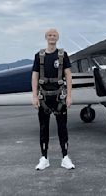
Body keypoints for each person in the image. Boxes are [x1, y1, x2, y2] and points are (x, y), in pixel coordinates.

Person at [32, 28, 75, 170]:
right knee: (43, 128)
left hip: (59, 97)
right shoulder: (39, 56)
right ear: (46, 37)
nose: (52, 37)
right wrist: (34, 96)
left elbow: (68, 75)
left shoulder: (63, 55)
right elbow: (35, 76)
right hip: (43, 97)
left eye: (54, 35)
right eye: (50, 35)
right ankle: (44, 158)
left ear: (57, 38)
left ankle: (65, 157)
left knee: (62, 128)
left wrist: (69, 96)